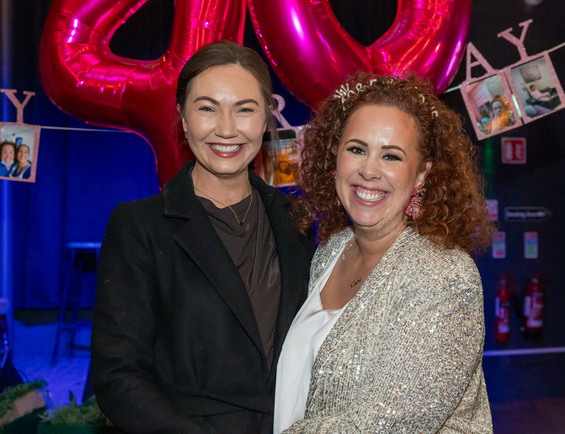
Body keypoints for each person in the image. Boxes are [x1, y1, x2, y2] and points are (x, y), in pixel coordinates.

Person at [91, 40, 314, 433]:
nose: (226, 129)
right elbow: (116, 377)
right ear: (183, 118)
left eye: (244, 109)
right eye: (207, 108)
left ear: (266, 117)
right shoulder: (140, 226)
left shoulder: (293, 219)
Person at [274, 72, 495, 433]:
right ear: (335, 158)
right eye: (357, 149)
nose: (369, 170)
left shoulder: (445, 277)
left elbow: (387, 423)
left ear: (421, 175)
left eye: (391, 156)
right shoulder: (330, 252)